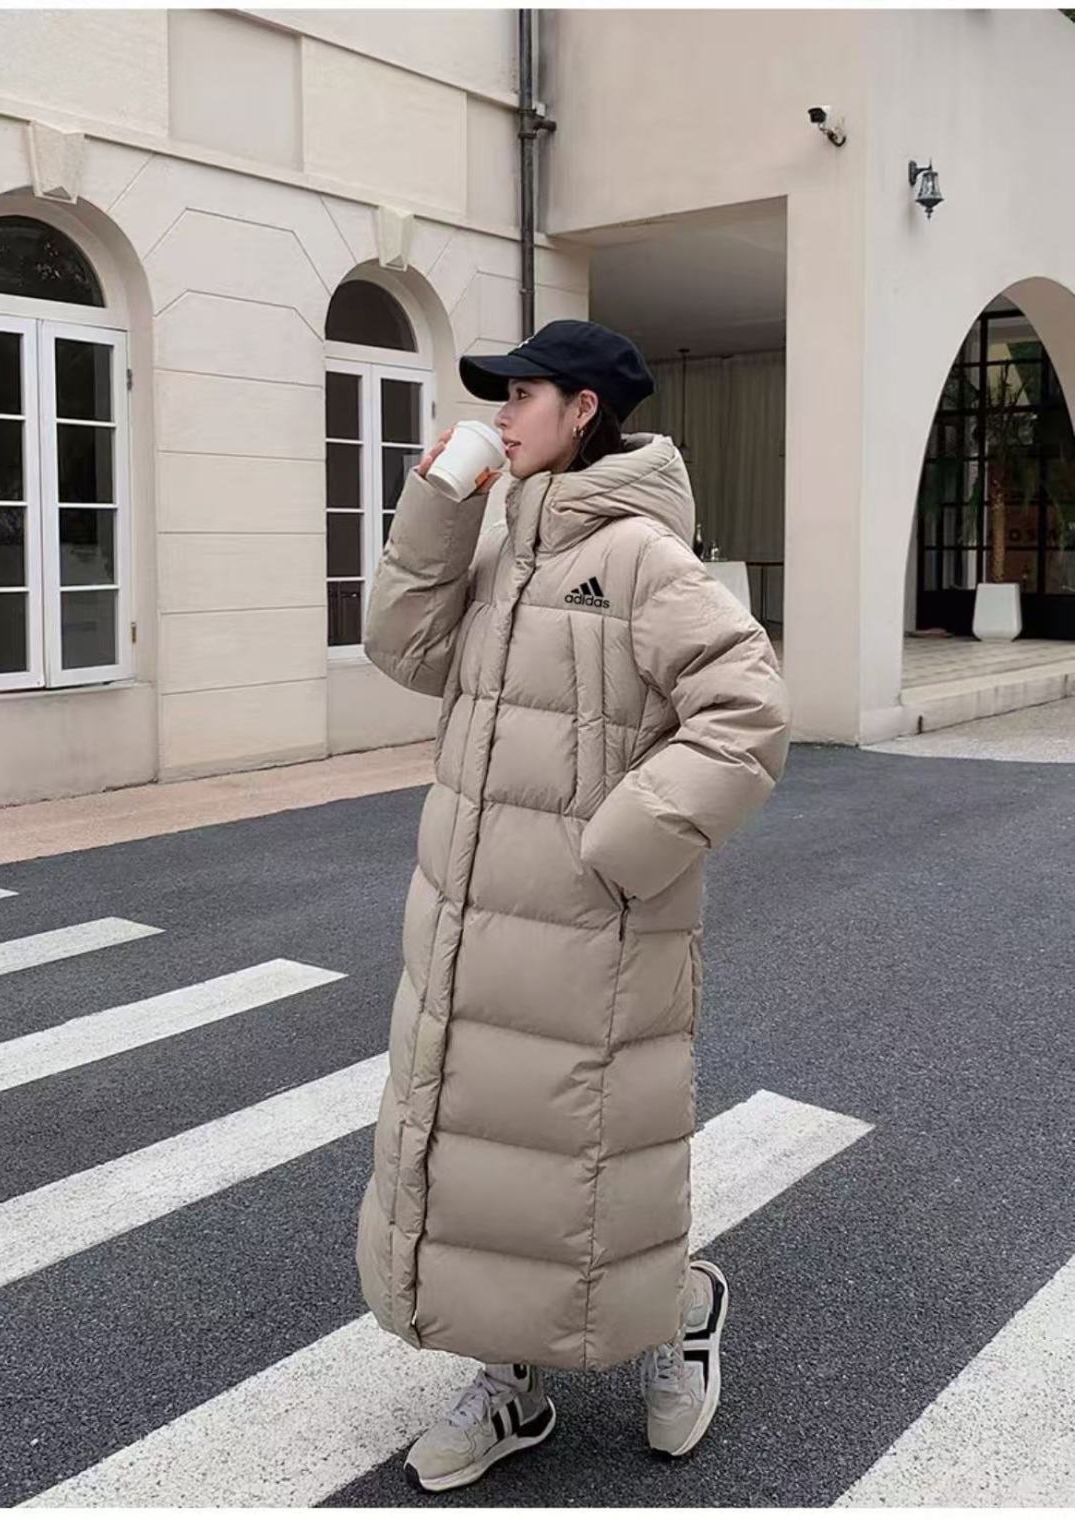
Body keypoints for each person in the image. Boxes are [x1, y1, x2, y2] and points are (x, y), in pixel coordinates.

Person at [354, 318, 792, 1493]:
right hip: (472, 925)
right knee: (484, 1161)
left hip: (590, 933)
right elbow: (402, 648)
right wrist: (441, 507)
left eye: (522, 396)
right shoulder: (507, 547)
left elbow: (748, 713)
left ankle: (680, 1310)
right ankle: (511, 1379)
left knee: (585, 1166)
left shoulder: (642, 557)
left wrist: (616, 851)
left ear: (584, 409)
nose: (501, 417)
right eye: (498, 400)